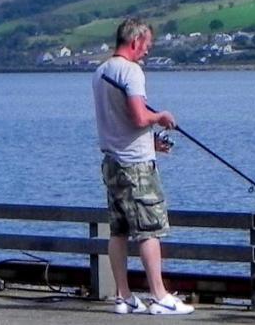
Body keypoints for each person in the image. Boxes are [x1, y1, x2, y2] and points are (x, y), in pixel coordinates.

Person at [93, 19, 194, 316]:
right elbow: (138, 117)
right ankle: (159, 296)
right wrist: (160, 117)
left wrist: (152, 144)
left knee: (119, 231)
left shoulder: (101, 72)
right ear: (135, 41)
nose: (147, 52)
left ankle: (123, 297)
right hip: (136, 166)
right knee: (150, 231)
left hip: (112, 162)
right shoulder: (131, 71)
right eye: (147, 45)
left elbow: (118, 121)